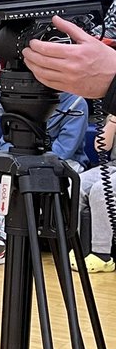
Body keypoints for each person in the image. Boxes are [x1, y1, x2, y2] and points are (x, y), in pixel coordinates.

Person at [0, 91, 88, 267]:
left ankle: (0, 242)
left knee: (32, 182)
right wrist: (19, 158)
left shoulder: (77, 102)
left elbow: (65, 149)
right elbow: (8, 140)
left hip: (63, 162)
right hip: (23, 158)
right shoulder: (23, 97)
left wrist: (31, 160)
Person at [73, 114, 116, 273]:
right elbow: (101, 147)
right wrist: (113, 120)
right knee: (76, 183)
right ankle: (76, 246)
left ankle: (102, 254)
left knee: (101, 189)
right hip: (112, 166)